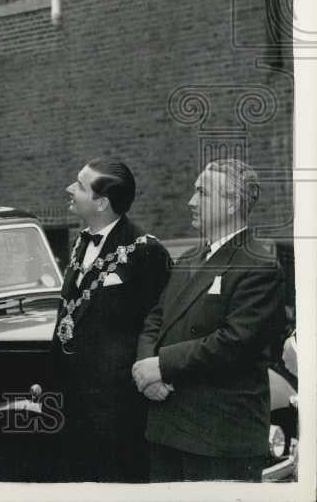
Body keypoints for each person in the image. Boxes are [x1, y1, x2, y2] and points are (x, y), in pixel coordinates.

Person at [133, 159, 284, 482]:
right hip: (167, 428)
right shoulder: (188, 258)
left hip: (218, 438)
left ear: (231, 204)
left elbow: (234, 343)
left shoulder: (258, 265)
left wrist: (161, 365)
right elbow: (156, 318)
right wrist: (147, 368)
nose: (191, 201)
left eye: (202, 192)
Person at [52, 158, 171, 482]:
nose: (69, 190)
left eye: (79, 185)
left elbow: (158, 324)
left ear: (102, 202)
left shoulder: (146, 251)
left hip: (118, 414)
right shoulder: (80, 242)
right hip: (74, 404)